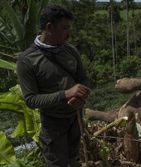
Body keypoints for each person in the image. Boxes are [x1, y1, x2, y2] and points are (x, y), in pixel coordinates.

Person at [16, 5, 90, 167]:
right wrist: (65, 94)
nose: (68, 34)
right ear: (49, 27)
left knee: (75, 160)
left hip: (75, 118)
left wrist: (81, 97)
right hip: (53, 125)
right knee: (57, 163)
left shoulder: (70, 51)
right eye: (64, 28)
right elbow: (31, 100)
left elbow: (84, 79)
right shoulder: (27, 60)